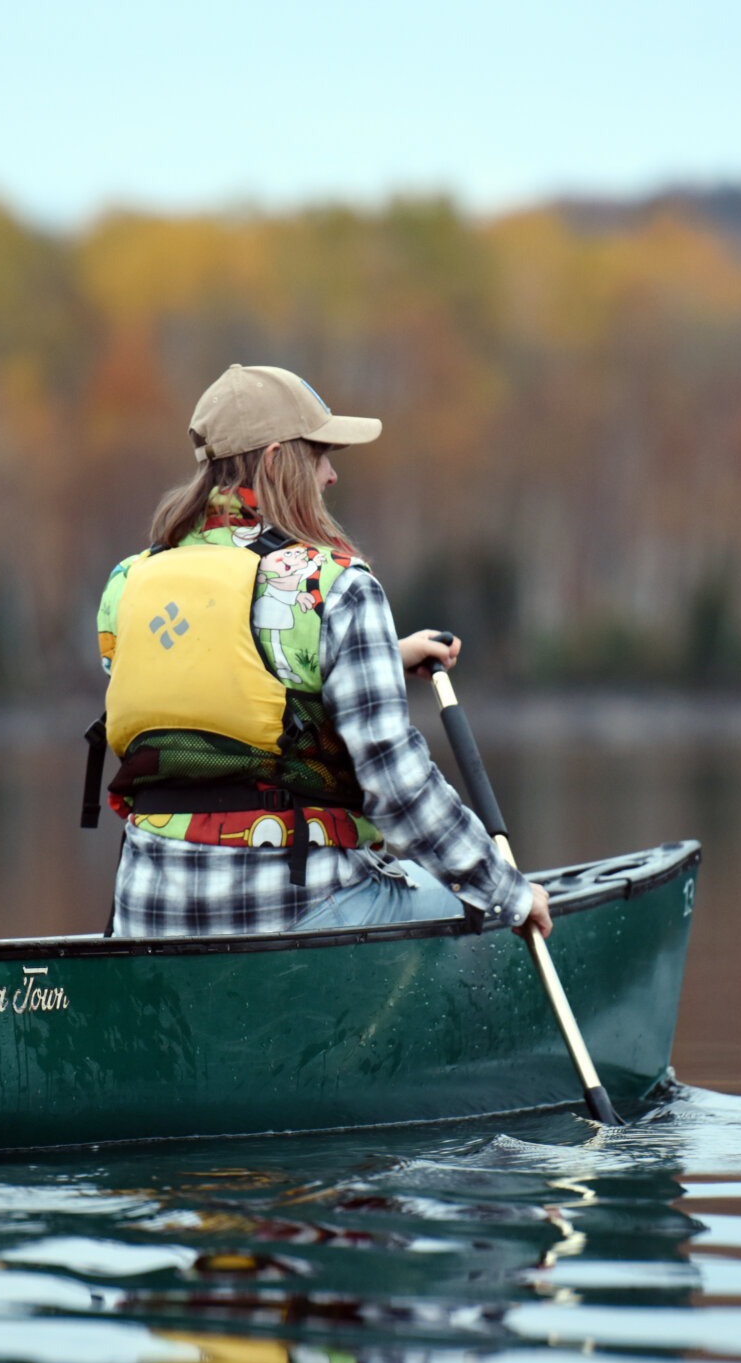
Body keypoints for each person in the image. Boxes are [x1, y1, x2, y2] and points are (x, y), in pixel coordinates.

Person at [87, 362, 551, 941]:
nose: (331, 475)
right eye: (320, 454)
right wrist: (506, 892)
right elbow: (398, 788)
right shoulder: (338, 586)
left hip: (148, 916)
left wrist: (382, 655)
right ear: (280, 461)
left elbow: (214, 682)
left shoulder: (128, 584)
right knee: (472, 904)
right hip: (295, 913)